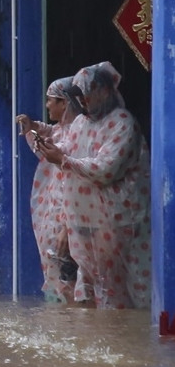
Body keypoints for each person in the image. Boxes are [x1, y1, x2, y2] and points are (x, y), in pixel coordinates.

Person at [36, 62, 151, 309]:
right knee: (89, 288)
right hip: (83, 222)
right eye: (78, 96)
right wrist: (50, 150)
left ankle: (121, 340)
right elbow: (68, 149)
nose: (83, 101)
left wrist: (63, 160)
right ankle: (95, 338)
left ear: (104, 91)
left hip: (117, 221)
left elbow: (105, 169)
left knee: (117, 289)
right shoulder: (81, 123)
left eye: (87, 94)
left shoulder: (123, 123)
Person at [15, 77, 82, 302]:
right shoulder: (62, 129)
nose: (47, 106)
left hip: (69, 223)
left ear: (64, 103)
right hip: (59, 222)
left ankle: (74, 328)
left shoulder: (76, 133)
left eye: (50, 100)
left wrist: (66, 227)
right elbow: (50, 132)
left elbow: (50, 150)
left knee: (72, 285)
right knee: (64, 285)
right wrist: (33, 126)